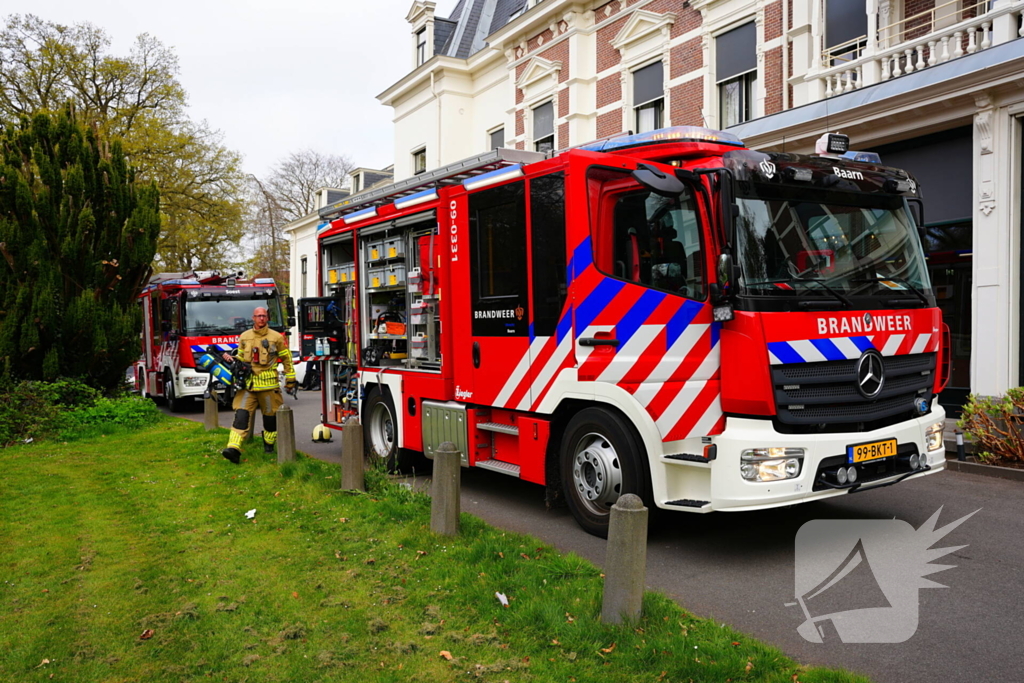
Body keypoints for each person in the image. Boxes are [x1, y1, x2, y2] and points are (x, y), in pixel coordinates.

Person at [221, 307, 296, 463]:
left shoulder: (277, 337)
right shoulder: (244, 336)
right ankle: (233, 448)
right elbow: (241, 356)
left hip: (269, 387)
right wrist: (233, 360)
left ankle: (268, 446)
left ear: (267, 318)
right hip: (248, 386)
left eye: (264, 316)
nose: (261, 318)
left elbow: (287, 359)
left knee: (270, 419)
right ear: (253, 318)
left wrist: (290, 380)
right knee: (241, 415)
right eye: (258, 316)